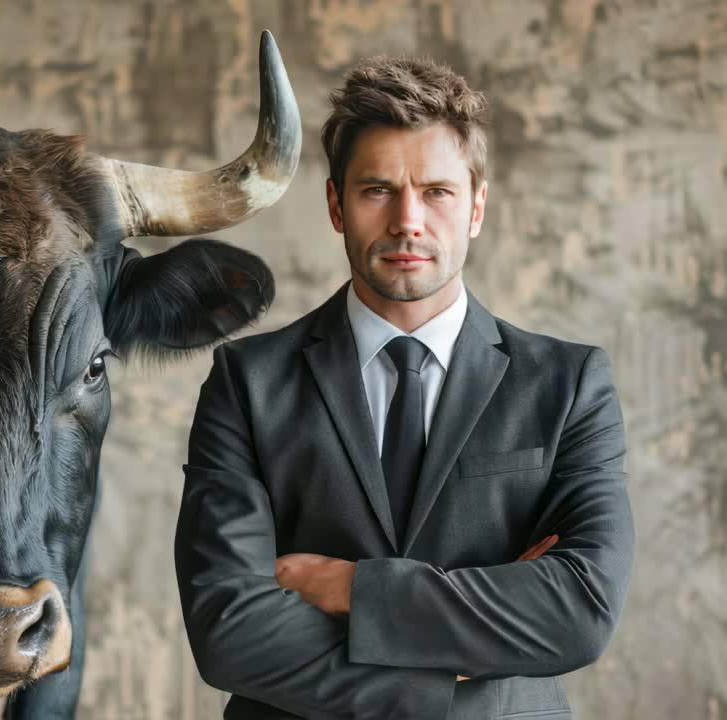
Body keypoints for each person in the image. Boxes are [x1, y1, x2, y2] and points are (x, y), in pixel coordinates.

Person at [173, 55, 634, 720]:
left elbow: (581, 610)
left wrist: (353, 588)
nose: (407, 221)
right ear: (336, 205)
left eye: (437, 192)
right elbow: (229, 630)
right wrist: (453, 685)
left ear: (476, 207)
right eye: (377, 190)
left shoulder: (568, 385)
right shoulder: (247, 383)